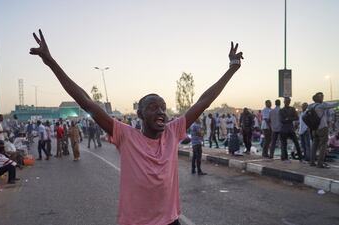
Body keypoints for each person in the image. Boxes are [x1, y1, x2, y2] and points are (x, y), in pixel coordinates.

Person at [30, 29, 243, 225]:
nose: (161, 112)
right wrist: (51, 62)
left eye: (163, 108)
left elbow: (203, 101)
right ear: (140, 114)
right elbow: (86, 100)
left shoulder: (173, 131)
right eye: (153, 107)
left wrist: (232, 69)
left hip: (171, 221)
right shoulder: (125, 135)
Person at [308, 92, 339, 168]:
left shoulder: (310, 106)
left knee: (314, 145)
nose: (322, 98)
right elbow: (333, 105)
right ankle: (320, 163)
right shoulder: (322, 105)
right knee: (323, 146)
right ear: (318, 98)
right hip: (322, 128)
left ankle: (312, 162)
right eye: (321, 97)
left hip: (314, 129)